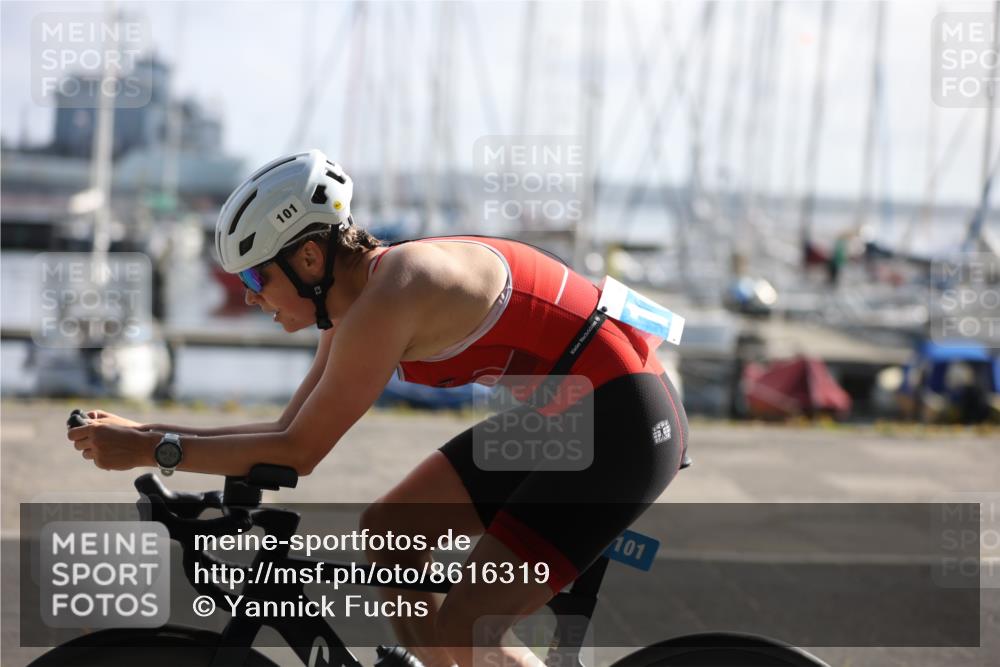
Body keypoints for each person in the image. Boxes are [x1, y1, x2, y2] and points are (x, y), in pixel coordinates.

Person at [68, 150, 689, 667]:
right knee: (390, 536)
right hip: (571, 416)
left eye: (256, 281)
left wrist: (154, 450)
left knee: (469, 623)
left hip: (624, 426)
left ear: (307, 259)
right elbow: (286, 427)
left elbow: (298, 454)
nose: (253, 300)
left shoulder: (394, 294)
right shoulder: (355, 301)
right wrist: (148, 433)